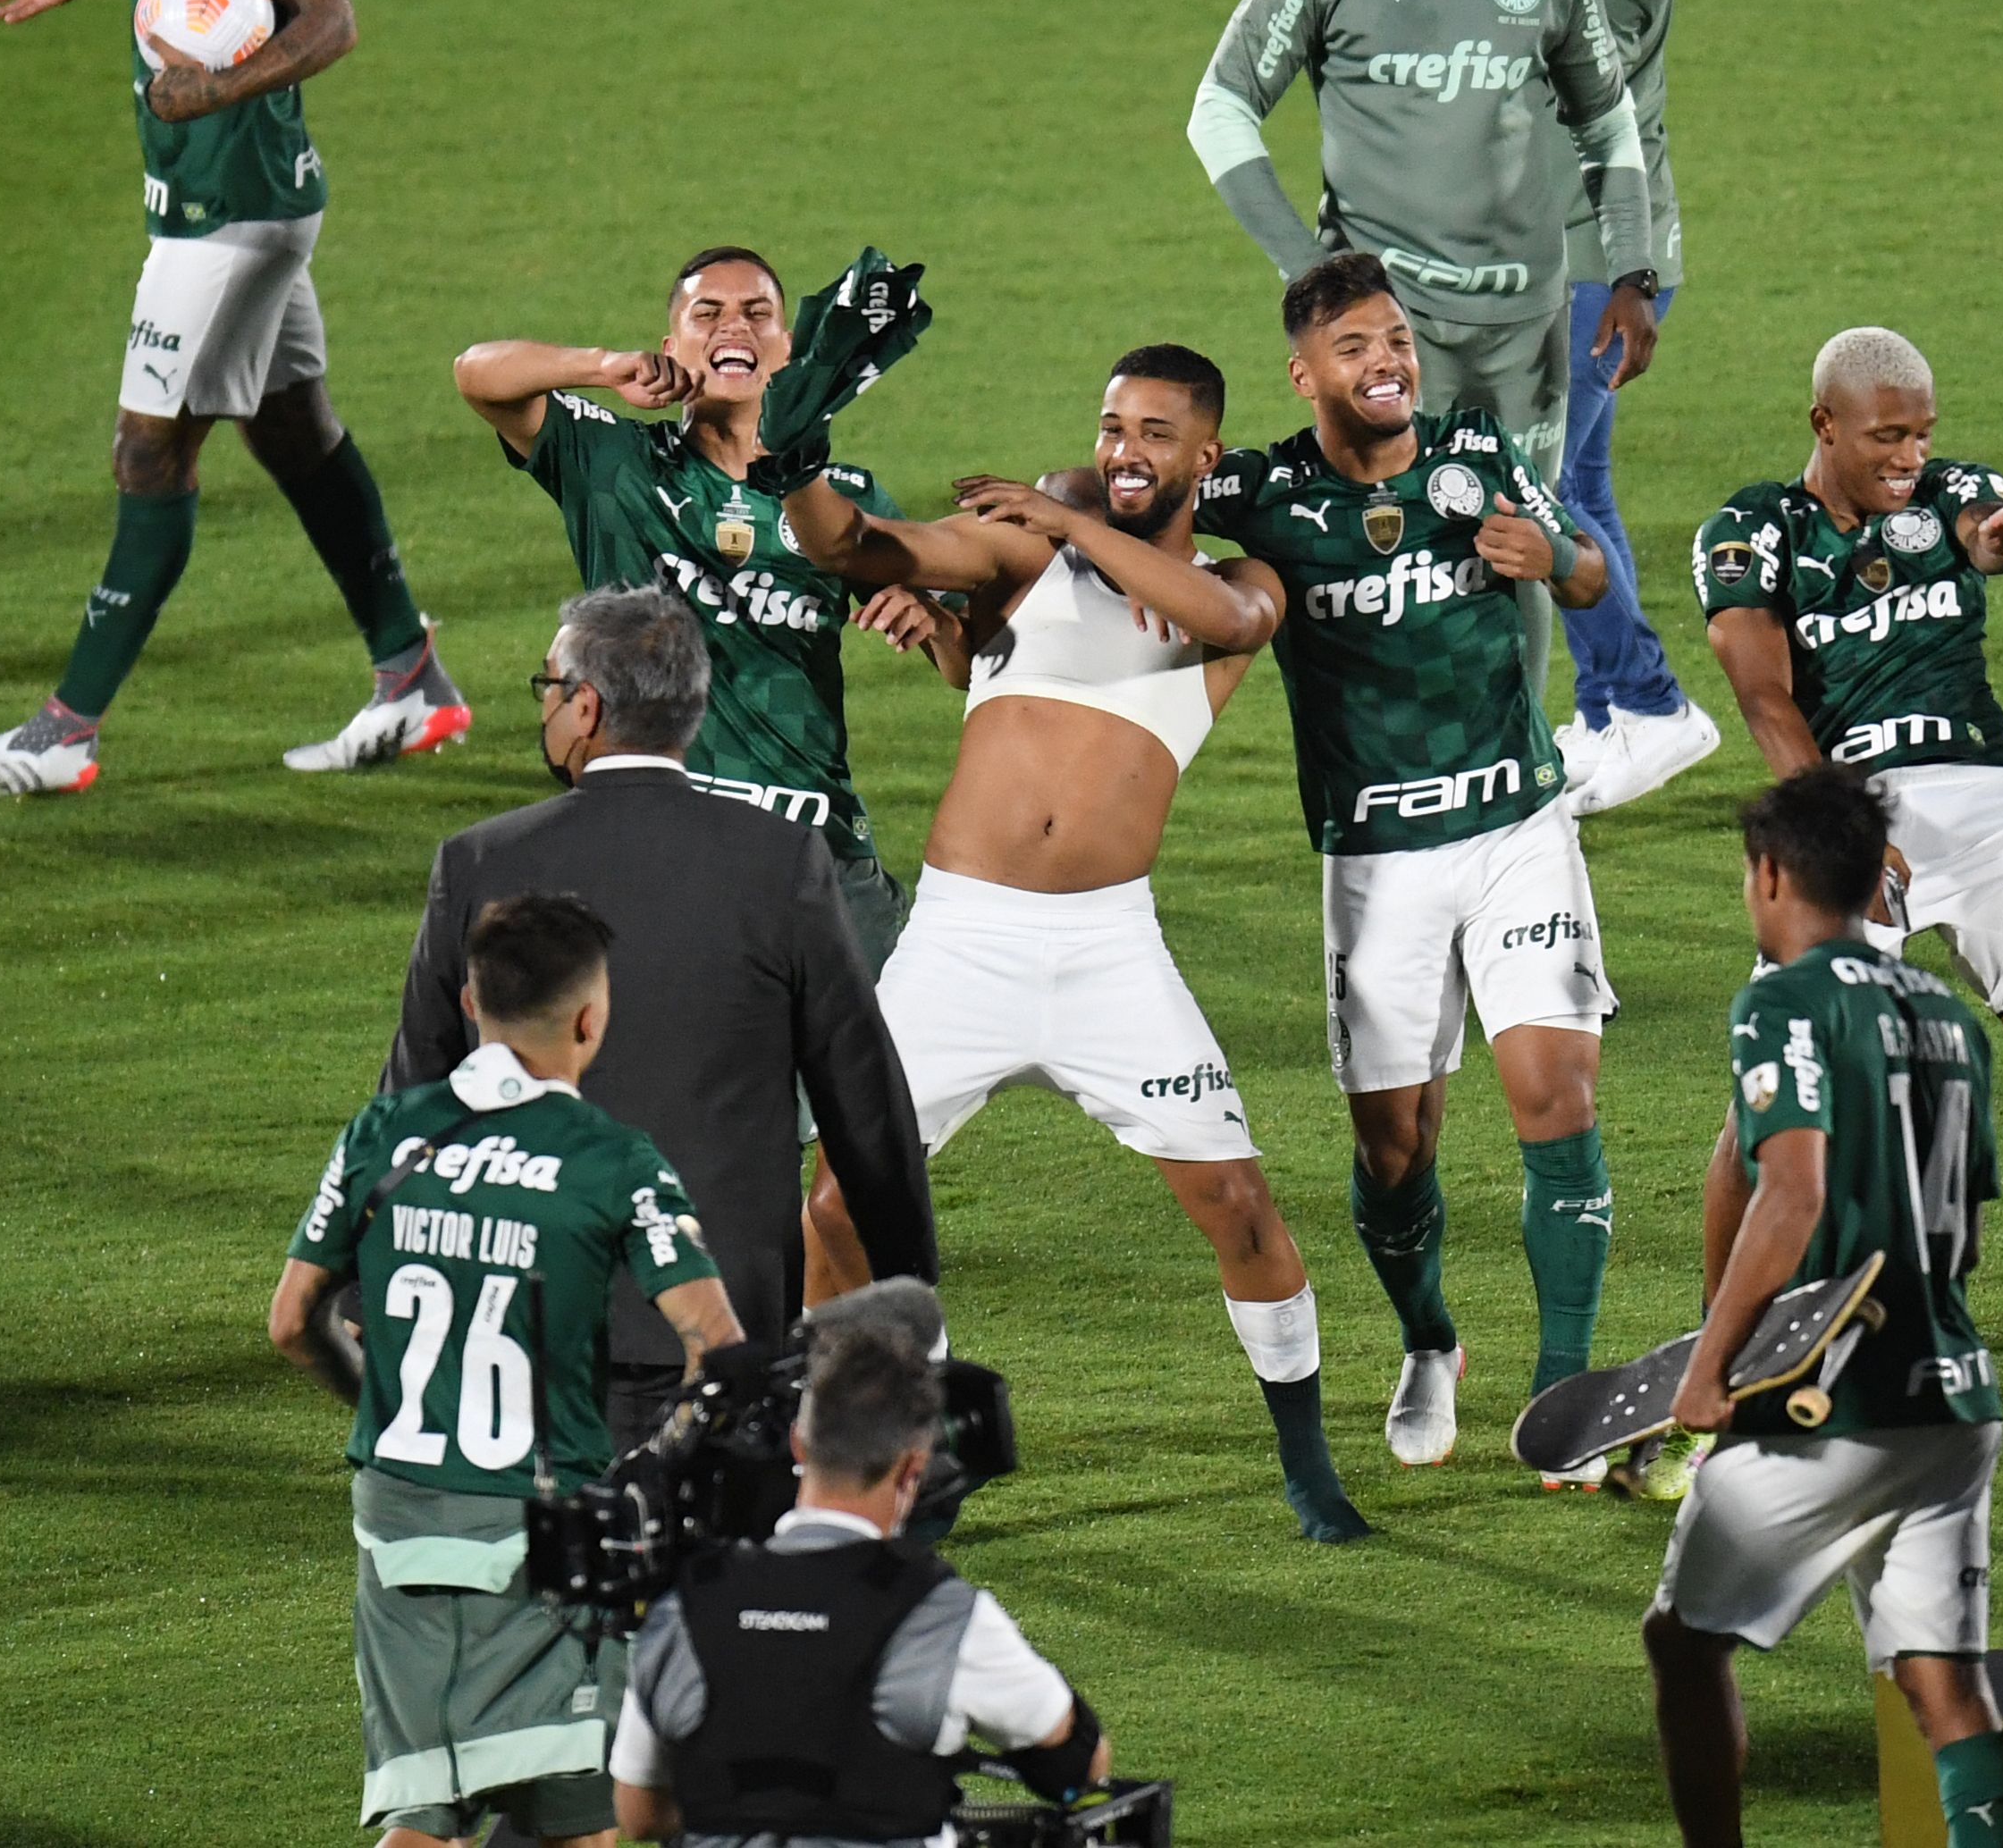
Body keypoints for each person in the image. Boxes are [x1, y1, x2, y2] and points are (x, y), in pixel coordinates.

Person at [779, 343, 1369, 1541]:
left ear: (1208, 453)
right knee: (834, 1214)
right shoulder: (1023, 556)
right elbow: (856, 546)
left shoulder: (1237, 581)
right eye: (1112, 426)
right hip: (963, 940)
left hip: (1108, 953)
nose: (1124, 451)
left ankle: (1307, 1466)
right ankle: (875, 1463)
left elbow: (1220, 615)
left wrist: (1063, 513)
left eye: (1154, 432)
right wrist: (795, 461)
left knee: (1242, 1207)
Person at [1694, 326, 2003, 1454]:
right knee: (1766, 1121)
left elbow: (1984, 526)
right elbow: (1766, 700)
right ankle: (1713, 1381)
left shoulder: (1955, 492)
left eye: (1922, 431)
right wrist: (1842, 826)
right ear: (1823, 424)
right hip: (1843, 817)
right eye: (1887, 436)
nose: (1911, 456)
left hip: (1989, 812)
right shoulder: (1751, 531)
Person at [0, 0, 463, 797]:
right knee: (292, 430)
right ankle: (413, 682)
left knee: (151, 450)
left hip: (226, 213)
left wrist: (208, 88)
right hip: (236, 204)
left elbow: (327, 19)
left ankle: (66, 731)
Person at [1194, 254, 1621, 1476]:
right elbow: (1144, 491)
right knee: (1395, 1149)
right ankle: (1431, 1341)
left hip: (1515, 832)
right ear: (1305, 373)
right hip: (1377, 862)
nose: (1386, 364)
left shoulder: (1474, 455)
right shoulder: (1266, 492)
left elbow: (1586, 564)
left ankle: (1567, 1392)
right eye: (1355, 350)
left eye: (1395, 343)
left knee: (1560, 1099)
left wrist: (1555, 563)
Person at [383, 587, 940, 1455]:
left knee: (555, 1576)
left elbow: (414, 1106)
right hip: (724, 1334)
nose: (546, 707)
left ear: (588, 705)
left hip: (524, 1322)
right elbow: (864, 1106)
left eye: (548, 687)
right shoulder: (780, 861)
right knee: (721, 1581)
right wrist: (910, 1286)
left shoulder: (484, 865)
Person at [1187, 0, 1661, 694]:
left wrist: (1633, 270)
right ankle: (1396, 766)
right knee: (1385, 545)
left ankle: (1521, 765)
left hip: (1523, 325)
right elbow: (1219, 107)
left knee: (1521, 539)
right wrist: (1303, 264)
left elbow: (1608, 123)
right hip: (1387, 334)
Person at [274, 893, 743, 1848]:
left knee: (421, 1813)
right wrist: (656, 1471)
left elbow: (292, 1322)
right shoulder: (613, 1162)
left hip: (395, 1527)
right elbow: (719, 1348)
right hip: (545, 1534)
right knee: (580, 1818)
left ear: (467, 1000)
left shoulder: (384, 1133)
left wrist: (395, 1403)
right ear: (589, 1019)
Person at [1643, 768, 2003, 1848]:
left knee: (1685, 1641)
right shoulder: (1952, 1017)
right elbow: (1969, 1222)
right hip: (1956, 1394)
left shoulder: (1781, 997)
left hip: (1837, 1403)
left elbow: (1793, 1190)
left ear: (1770, 875)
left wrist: (1708, 1370)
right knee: (1943, 1688)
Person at [453, 247, 944, 970]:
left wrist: (926, 614)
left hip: (813, 849)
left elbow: (961, 653)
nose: (731, 329)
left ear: (787, 349)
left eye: (757, 314)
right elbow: (479, 375)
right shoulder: (612, 464)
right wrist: (598, 367)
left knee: (861, 1080)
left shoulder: (843, 496)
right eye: (705, 314)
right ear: (671, 347)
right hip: (656, 844)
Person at [1477, 0, 1721, 815]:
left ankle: (1655, 705)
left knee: (1529, 486)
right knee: (1576, 482)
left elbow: (1600, 73)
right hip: (1545, 252)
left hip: (1594, 256)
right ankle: (1613, 714)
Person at [609, 1313, 1110, 1847]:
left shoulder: (686, 1606)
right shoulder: (938, 1613)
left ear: (800, 1447)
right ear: (912, 1469)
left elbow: (639, 1815)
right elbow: (1081, 1763)